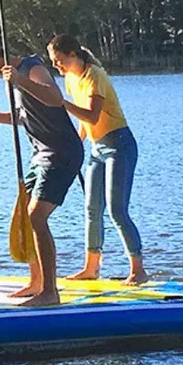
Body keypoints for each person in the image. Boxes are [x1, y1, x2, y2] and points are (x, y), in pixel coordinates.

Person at [0, 33, 83, 307]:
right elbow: (25, 117)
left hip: (62, 152)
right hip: (40, 155)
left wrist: (20, 80)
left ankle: (50, 293)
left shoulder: (31, 67)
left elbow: (54, 98)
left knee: (37, 216)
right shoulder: (14, 78)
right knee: (26, 215)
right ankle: (37, 281)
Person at [47, 34, 148, 285]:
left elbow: (92, 115)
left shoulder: (95, 76)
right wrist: (76, 142)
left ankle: (138, 270)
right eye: (53, 61)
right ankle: (91, 267)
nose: (55, 66)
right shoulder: (71, 78)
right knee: (92, 209)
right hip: (96, 148)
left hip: (119, 145)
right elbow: (85, 124)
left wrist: (62, 103)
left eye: (58, 60)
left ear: (73, 55)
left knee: (117, 211)